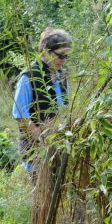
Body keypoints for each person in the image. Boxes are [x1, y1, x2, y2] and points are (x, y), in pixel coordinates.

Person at [12, 28, 72, 173]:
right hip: (35, 153)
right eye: (59, 55)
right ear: (45, 51)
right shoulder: (29, 76)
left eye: (66, 56)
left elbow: (65, 110)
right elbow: (20, 116)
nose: (63, 60)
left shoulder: (63, 77)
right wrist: (42, 140)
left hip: (59, 150)